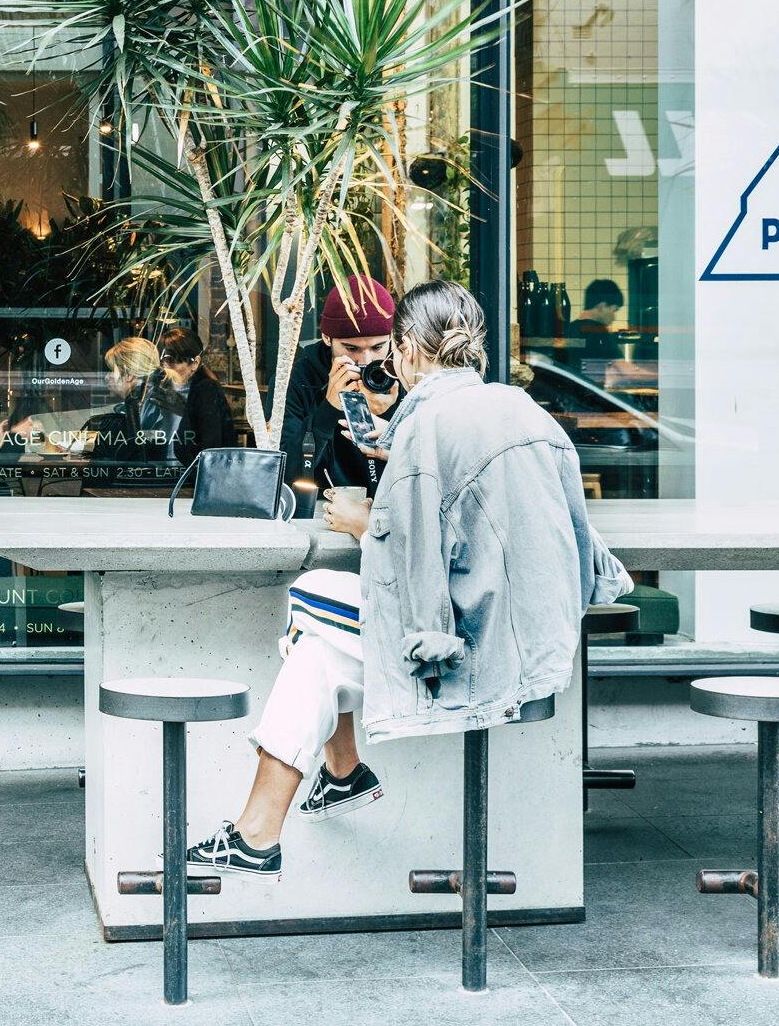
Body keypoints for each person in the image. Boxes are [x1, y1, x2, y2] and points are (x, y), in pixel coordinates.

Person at [187, 280, 630, 881]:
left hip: (472, 643)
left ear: (410, 350)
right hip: (538, 639)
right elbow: (574, 536)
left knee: (306, 599)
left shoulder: (430, 427)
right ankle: (263, 830)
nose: (383, 360)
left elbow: (415, 562)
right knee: (315, 657)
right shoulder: (521, 408)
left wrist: (365, 523)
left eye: (390, 346)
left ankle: (338, 777)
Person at [279, 276, 398, 493]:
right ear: (326, 338)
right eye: (351, 349)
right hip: (317, 509)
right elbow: (284, 473)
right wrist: (330, 408)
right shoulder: (299, 377)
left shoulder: (401, 372)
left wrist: (387, 416)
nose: (366, 361)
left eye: (378, 347)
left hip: (386, 511)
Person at [151, 327, 235, 466]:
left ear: (195, 363)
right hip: (158, 472)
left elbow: (211, 446)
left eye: (171, 359)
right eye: (162, 359)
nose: (165, 366)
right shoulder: (157, 391)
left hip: (189, 476)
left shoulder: (206, 391)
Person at [80, 337, 165, 463]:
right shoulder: (163, 402)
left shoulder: (134, 410)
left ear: (129, 375)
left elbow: (99, 474)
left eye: (111, 370)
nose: (107, 377)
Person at [567, 280, 625, 368]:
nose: (614, 317)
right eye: (614, 310)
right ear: (602, 306)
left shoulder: (569, 328)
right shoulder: (599, 331)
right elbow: (624, 370)